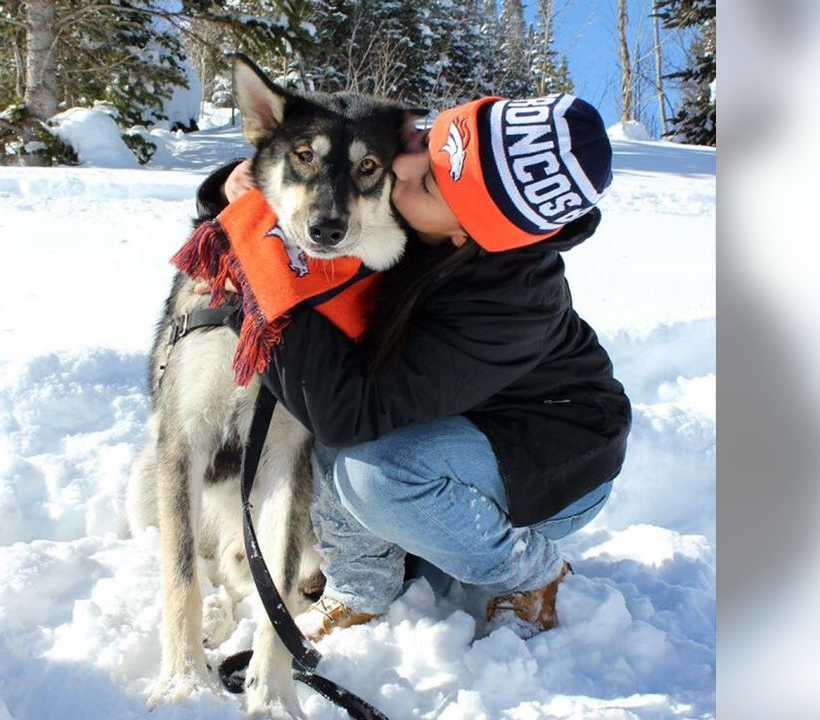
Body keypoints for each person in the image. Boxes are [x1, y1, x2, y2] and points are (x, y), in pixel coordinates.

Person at [197, 93, 631, 640]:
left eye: (430, 184)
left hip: (554, 458)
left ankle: (529, 570)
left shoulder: (511, 302)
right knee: (360, 437)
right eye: (425, 145)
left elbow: (348, 412)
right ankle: (364, 583)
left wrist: (263, 272)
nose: (403, 166)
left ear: (464, 233)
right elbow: (320, 147)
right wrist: (235, 188)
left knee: (377, 472)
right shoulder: (412, 200)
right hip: (449, 419)